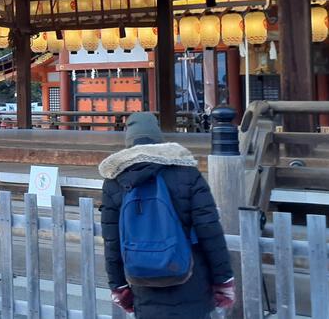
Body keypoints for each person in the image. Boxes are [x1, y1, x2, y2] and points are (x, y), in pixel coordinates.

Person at [99, 112, 234, 319]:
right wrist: (223, 280)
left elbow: (112, 241)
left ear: (129, 140)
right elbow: (209, 229)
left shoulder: (115, 180)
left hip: (143, 281)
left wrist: (118, 286)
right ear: (158, 136)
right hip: (191, 277)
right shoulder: (186, 172)